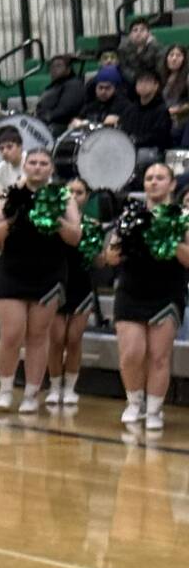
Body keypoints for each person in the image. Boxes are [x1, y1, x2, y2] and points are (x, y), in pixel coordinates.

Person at [0, 147, 82, 413]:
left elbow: (75, 237)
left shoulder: (63, 197)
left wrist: (55, 218)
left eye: (43, 163)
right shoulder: (10, 195)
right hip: (12, 271)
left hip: (48, 273)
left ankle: (31, 394)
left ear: (51, 169)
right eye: (33, 163)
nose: (38, 167)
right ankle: (5, 389)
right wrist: (15, 217)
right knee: (11, 334)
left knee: (38, 336)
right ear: (25, 166)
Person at [103, 162, 188, 434]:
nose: (153, 182)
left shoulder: (182, 217)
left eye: (160, 177)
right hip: (131, 290)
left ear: (172, 184)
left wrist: (169, 237)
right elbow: (110, 258)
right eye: (149, 177)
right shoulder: (130, 215)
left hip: (166, 292)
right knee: (131, 353)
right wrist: (124, 241)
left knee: (159, 356)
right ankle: (134, 402)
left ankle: (154, 409)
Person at [45, 175, 100, 409]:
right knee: (56, 339)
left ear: (86, 197)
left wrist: (99, 250)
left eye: (79, 192)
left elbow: (98, 261)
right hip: (56, 283)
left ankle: (70, 388)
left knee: (74, 339)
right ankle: (54, 386)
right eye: (70, 192)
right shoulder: (50, 221)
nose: (74, 196)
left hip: (82, 285)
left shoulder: (92, 225)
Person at [118, 69, 175, 155]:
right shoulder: (130, 109)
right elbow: (122, 128)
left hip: (153, 151)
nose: (143, 84)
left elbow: (158, 137)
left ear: (156, 85)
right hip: (130, 148)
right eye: (140, 81)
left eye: (147, 81)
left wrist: (135, 140)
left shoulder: (161, 110)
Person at [34, 55, 86, 133]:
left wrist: (45, 117)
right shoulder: (54, 86)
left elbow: (65, 111)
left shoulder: (74, 84)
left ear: (68, 69)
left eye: (58, 66)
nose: (54, 69)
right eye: (52, 67)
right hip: (46, 121)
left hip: (62, 126)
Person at [115, 18, 163, 85]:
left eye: (142, 30)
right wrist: (136, 79)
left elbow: (159, 68)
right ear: (130, 35)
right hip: (132, 82)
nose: (138, 33)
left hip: (151, 81)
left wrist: (143, 50)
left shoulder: (156, 47)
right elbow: (123, 68)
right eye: (135, 30)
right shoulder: (123, 48)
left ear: (149, 33)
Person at [0, 127, 26, 194]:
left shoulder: (32, 161)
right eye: (1, 148)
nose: (5, 152)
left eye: (9, 147)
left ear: (20, 147)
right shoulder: (0, 168)